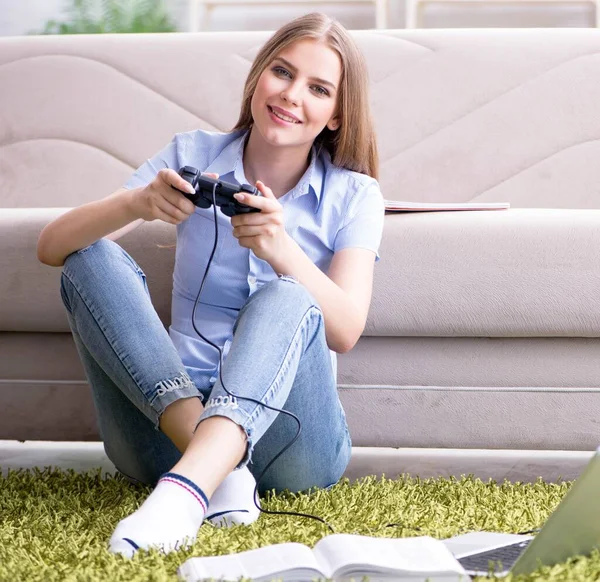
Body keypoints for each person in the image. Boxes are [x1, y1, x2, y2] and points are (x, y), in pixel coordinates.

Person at [36, 11, 385, 558]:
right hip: (166, 428)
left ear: (337, 115)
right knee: (90, 258)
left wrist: (281, 248)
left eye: (318, 88)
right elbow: (51, 247)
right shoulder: (190, 155)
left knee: (289, 294)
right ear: (257, 78)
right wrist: (136, 202)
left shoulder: (356, 195)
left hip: (293, 445)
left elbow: (345, 330)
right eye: (282, 72)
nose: (292, 95)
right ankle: (214, 476)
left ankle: (187, 489)